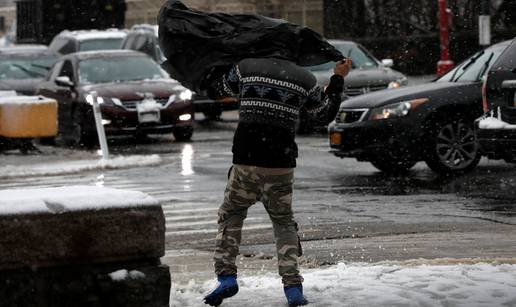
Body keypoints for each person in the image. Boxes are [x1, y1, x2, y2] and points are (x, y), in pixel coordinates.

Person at [203, 57, 352, 307]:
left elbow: (218, 90)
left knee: (232, 214)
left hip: (245, 159)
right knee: (283, 223)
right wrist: (338, 78)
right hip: (280, 163)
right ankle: (293, 288)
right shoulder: (303, 79)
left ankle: (226, 277)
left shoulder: (246, 67)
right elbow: (325, 114)